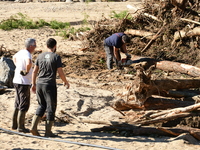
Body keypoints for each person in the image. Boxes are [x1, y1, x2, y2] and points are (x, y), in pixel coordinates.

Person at [30, 38, 70, 137]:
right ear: (55, 46)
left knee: (41, 105)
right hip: (49, 84)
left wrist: (33, 84)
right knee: (51, 107)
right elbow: (60, 72)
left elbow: (34, 71)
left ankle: (34, 127)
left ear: (46, 46)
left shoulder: (40, 56)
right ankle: (48, 131)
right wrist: (65, 81)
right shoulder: (56, 57)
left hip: (39, 83)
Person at [12, 38, 36, 133]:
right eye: (34, 45)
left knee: (17, 102)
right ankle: (21, 127)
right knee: (24, 104)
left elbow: (14, 58)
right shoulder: (27, 53)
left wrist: (18, 67)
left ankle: (14, 124)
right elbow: (29, 63)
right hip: (23, 81)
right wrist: (26, 71)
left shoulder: (20, 52)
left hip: (16, 80)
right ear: (30, 46)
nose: (35, 47)